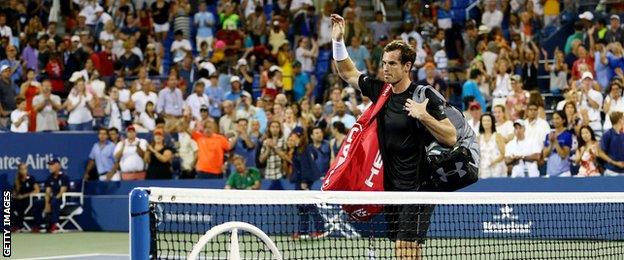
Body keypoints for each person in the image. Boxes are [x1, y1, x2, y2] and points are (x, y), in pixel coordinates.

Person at [331, 14, 457, 258]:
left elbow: (450, 137)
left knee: (404, 250)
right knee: (410, 251)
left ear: (407, 67)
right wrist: (338, 40)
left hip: (419, 188)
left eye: (391, 64)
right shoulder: (381, 92)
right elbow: (347, 72)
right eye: (384, 63)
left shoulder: (424, 95)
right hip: (390, 189)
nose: (385, 68)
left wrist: (424, 116)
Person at [286, 128, 327, 240]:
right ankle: (303, 232)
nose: (291, 137)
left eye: (293, 135)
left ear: (297, 136)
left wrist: (304, 182)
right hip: (300, 181)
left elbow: (305, 166)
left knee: (309, 206)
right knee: (302, 207)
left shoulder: (303, 149)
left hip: (303, 182)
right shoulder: (300, 148)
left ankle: (320, 230)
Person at [259, 121, 289, 190]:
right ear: (269, 128)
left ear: (279, 129)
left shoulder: (284, 141)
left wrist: (274, 146)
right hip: (268, 174)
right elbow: (261, 160)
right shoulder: (265, 142)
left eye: (277, 127)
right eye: (273, 127)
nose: (275, 129)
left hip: (280, 174)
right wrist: (268, 149)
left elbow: (285, 157)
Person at [11, 163, 41, 232]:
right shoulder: (17, 179)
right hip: (18, 199)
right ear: (19, 170)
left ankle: (19, 226)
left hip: (28, 200)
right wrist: (14, 195)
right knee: (8, 207)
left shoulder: (31, 178)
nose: (24, 170)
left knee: (20, 206)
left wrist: (24, 196)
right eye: (22, 169)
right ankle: (14, 225)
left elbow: (37, 190)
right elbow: (15, 191)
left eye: (25, 169)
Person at [542, 111, 573, 177]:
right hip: (550, 173)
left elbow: (563, 155)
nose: (555, 121)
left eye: (557, 118)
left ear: (563, 120)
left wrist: (555, 142)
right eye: (553, 118)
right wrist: (551, 143)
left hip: (563, 173)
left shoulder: (567, 135)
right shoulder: (549, 135)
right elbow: (545, 155)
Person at [43, 159, 70, 233]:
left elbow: (61, 193)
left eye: (52, 165)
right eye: (49, 165)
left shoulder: (64, 177)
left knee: (54, 202)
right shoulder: (49, 178)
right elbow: (47, 192)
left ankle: (54, 224)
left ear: (58, 166)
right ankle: (38, 225)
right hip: (52, 199)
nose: (50, 167)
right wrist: (46, 204)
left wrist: (51, 201)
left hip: (62, 199)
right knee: (38, 203)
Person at [478, 113, 507, 178]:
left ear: (492, 122)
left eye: (488, 120)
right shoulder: (479, 138)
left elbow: (503, 154)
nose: (486, 122)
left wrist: (493, 162)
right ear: (481, 123)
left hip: (496, 167)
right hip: (483, 168)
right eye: (484, 121)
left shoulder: (498, 136)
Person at [600, 111, 624, 176]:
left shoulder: (622, 135)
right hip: (611, 171)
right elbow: (601, 153)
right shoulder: (607, 134)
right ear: (620, 120)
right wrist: (615, 163)